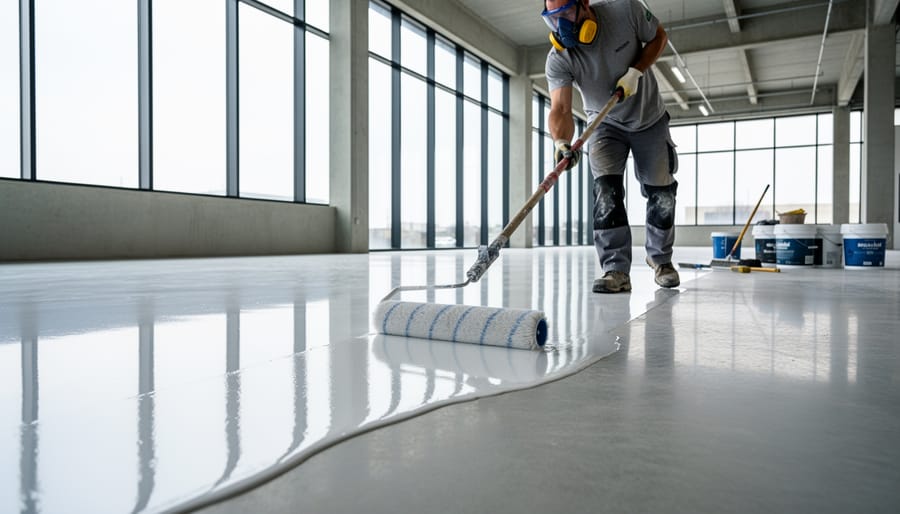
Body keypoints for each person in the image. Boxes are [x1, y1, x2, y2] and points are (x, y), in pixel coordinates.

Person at [541, 0, 680, 293]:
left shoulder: (625, 10)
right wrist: (561, 140)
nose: (561, 24)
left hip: (649, 119)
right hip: (603, 126)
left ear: (585, 5)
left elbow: (659, 36)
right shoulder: (559, 58)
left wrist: (636, 71)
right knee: (606, 194)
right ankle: (615, 269)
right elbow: (561, 109)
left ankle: (661, 261)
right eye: (553, 18)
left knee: (662, 194)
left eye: (566, 13)